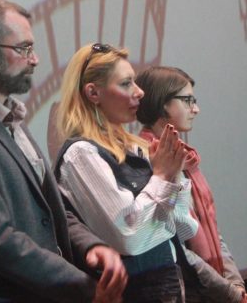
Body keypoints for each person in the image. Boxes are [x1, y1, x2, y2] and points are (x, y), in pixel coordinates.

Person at [0, 0, 127, 303]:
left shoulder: (11, 119)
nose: (35, 59)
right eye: (24, 48)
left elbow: (51, 209)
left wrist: (91, 246)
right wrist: (86, 289)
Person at [54, 43, 199, 303]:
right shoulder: (81, 154)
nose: (139, 92)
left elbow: (184, 227)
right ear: (93, 93)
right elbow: (129, 237)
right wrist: (161, 178)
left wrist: (173, 177)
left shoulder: (137, 149)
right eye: (126, 83)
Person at [135, 66, 247, 303]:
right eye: (187, 100)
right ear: (162, 103)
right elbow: (176, 244)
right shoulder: (144, 160)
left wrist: (235, 285)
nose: (196, 109)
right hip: (184, 292)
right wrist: (230, 293)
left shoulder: (186, 158)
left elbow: (211, 228)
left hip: (214, 291)